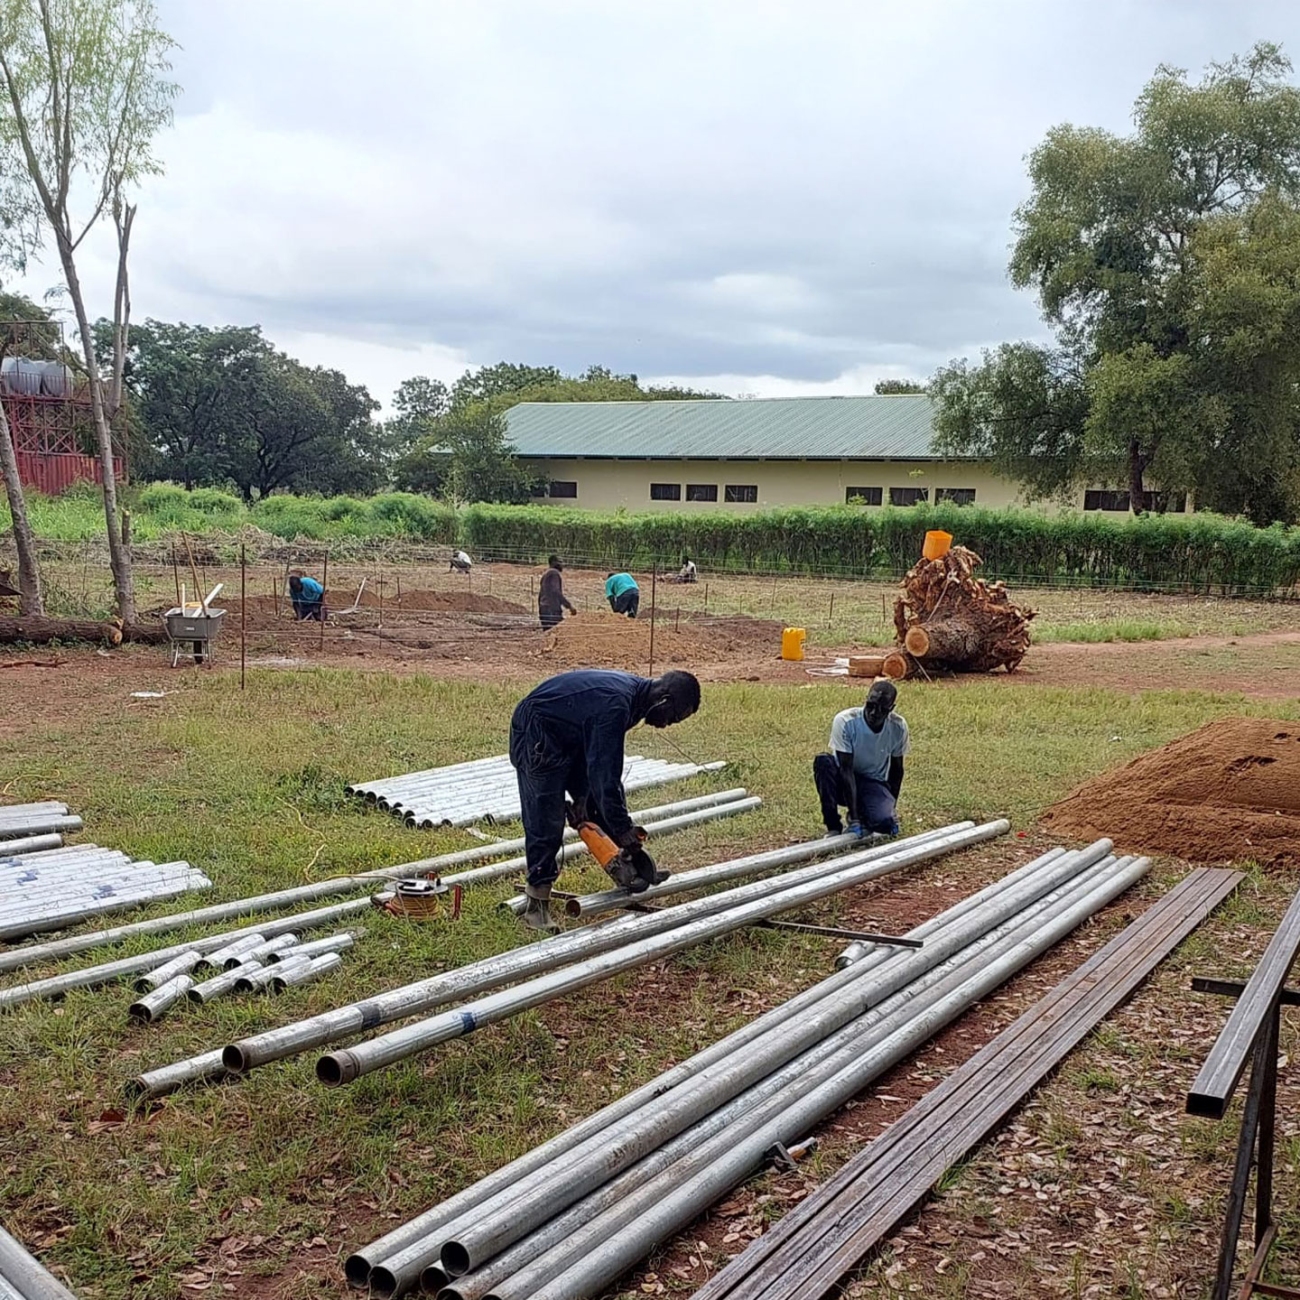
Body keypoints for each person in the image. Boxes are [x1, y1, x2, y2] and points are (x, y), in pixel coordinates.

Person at [509, 668, 702, 930]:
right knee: (547, 820)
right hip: (538, 732)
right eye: (674, 717)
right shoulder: (617, 706)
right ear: (664, 700)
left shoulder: (635, 700)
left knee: (593, 806)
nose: (668, 724)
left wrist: (588, 801)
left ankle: (623, 866)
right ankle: (536, 907)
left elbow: (601, 769)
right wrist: (623, 829)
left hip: (569, 735)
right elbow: (606, 777)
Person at [812, 678, 908, 837]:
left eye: (882, 709)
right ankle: (833, 825)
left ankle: (868, 815)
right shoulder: (845, 721)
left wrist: (891, 805)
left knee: (885, 823)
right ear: (866, 700)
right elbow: (846, 770)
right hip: (842, 781)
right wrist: (854, 819)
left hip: (873, 782)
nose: (873, 713)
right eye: (871, 705)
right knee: (823, 762)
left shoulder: (898, 727)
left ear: (891, 709)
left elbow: (897, 771)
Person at [538, 554, 577, 630]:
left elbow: (540, 595)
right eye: (560, 562)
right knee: (559, 632)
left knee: (547, 634)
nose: (562, 564)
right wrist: (569, 606)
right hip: (552, 610)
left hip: (544, 609)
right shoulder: (554, 573)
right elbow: (556, 591)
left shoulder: (545, 575)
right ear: (553, 562)